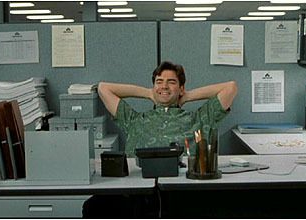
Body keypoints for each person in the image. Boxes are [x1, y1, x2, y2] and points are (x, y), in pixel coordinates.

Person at [82, 61, 237, 218]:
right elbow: (103, 88)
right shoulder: (135, 120)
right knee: (94, 206)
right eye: (159, 82)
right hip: (138, 193)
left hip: (183, 192)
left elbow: (230, 88)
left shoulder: (199, 119)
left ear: (181, 88)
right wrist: (148, 93)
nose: (164, 86)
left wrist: (187, 96)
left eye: (171, 82)